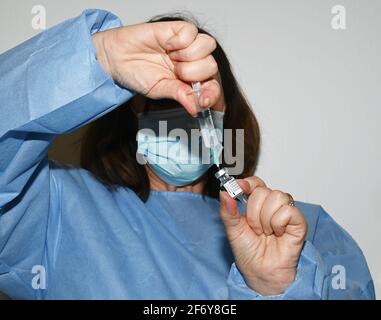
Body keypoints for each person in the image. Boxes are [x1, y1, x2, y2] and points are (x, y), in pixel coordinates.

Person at [0, 9, 375, 299]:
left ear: (229, 122)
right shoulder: (55, 209)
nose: (182, 120)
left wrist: (274, 288)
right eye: (163, 102)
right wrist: (98, 59)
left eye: (201, 106)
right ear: (128, 119)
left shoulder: (301, 231)